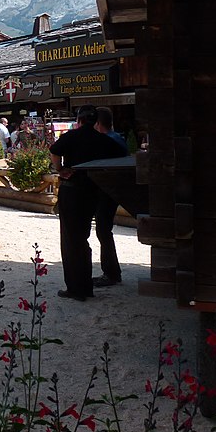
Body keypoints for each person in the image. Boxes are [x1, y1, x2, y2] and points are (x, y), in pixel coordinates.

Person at [49, 105, 127, 301]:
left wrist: (60, 169)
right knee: (84, 238)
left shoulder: (71, 136)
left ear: (79, 120)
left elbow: (54, 152)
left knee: (71, 241)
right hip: (94, 192)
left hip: (73, 192)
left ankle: (77, 288)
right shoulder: (104, 141)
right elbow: (121, 156)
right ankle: (87, 285)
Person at [92, 107, 128, 287]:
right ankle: (112, 271)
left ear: (97, 124)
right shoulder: (118, 138)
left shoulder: (106, 141)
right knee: (103, 230)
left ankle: (111, 273)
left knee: (103, 231)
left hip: (108, 191)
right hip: (114, 190)